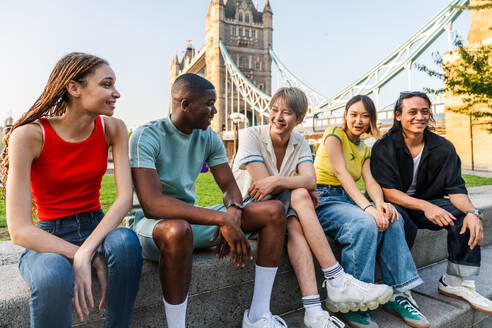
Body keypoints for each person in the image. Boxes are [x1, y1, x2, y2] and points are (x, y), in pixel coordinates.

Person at [129, 73, 288, 328]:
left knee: (274, 210)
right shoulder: (145, 136)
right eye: (209, 103)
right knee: (177, 230)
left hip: (192, 220)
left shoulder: (208, 137)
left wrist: (234, 211)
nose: (215, 110)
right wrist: (221, 218)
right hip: (153, 227)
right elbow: (152, 204)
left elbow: (229, 188)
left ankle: (258, 315)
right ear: (186, 105)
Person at [233, 88, 395, 328]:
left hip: (281, 211)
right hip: (250, 209)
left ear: (299, 119)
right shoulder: (250, 135)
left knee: (296, 222)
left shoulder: (299, 141)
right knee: (299, 195)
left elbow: (311, 181)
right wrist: (292, 184)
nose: (278, 117)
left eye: (286, 113)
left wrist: (279, 180)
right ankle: (336, 279)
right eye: (274, 111)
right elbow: (262, 186)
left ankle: (313, 312)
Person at [2, 52, 143, 328]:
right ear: (74, 87)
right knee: (52, 275)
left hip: (96, 226)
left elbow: (125, 198)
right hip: (48, 236)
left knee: (126, 242)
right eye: (106, 84)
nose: (116, 93)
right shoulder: (29, 135)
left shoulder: (114, 128)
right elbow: (19, 230)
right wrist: (76, 253)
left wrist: (86, 250)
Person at [370, 91, 492, 315]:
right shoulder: (384, 146)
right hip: (397, 204)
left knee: (465, 218)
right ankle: (398, 287)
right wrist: (426, 206)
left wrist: (474, 212)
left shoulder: (443, 148)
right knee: (399, 220)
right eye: (412, 112)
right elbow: (388, 192)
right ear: (398, 116)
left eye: (425, 112)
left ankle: (456, 283)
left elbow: (456, 190)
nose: (420, 117)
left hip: (428, 203)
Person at [314, 95, 429, 328]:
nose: (359, 120)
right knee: (365, 223)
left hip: (346, 199)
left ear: (371, 120)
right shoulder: (334, 134)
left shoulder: (364, 149)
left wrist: (379, 204)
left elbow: (371, 182)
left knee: (392, 216)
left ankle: (397, 292)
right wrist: (367, 208)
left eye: (365, 116)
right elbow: (340, 173)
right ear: (345, 115)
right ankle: (354, 302)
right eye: (354, 114)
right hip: (322, 197)